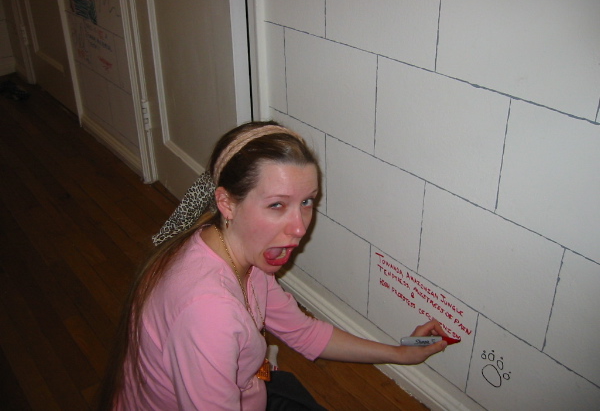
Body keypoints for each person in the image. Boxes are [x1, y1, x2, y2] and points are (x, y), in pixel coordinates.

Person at [98, 121, 450, 410]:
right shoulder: (208, 312)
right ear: (226, 203)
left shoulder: (236, 249)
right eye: (277, 205)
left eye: (307, 202)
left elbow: (303, 331)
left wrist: (400, 353)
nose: (300, 228)